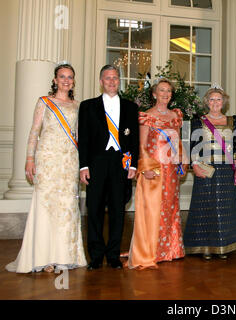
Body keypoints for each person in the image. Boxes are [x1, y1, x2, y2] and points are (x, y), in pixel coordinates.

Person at [6, 63, 87, 273]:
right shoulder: (44, 102)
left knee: (66, 206)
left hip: (69, 160)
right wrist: (29, 159)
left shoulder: (78, 106)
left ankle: (64, 255)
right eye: (62, 77)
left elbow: (79, 136)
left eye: (70, 77)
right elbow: (34, 131)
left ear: (73, 81)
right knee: (45, 206)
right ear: (55, 80)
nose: (66, 80)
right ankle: (43, 256)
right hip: (48, 160)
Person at [78, 65, 139, 270]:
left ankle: (113, 254)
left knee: (117, 211)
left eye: (115, 78)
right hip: (96, 163)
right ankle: (95, 255)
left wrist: (132, 165)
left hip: (120, 165)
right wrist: (83, 166)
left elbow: (134, 140)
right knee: (93, 210)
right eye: (107, 78)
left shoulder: (130, 107)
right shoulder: (87, 106)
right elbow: (84, 139)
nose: (112, 81)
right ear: (101, 81)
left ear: (119, 80)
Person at [125, 78, 186, 270]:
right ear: (154, 93)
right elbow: (141, 145)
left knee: (169, 208)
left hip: (171, 170)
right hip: (154, 170)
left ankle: (169, 250)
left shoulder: (175, 116)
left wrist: (182, 159)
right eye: (162, 90)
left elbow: (177, 141)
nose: (165, 94)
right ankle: (148, 251)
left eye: (168, 91)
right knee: (152, 211)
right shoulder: (147, 116)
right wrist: (145, 168)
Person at [183, 86, 236, 260]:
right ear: (207, 102)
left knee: (224, 207)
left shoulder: (233, 120)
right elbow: (192, 145)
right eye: (212, 99)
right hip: (206, 167)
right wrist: (194, 165)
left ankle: (223, 246)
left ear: (223, 102)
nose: (215, 102)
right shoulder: (198, 120)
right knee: (206, 205)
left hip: (226, 169)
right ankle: (206, 247)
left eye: (218, 99)